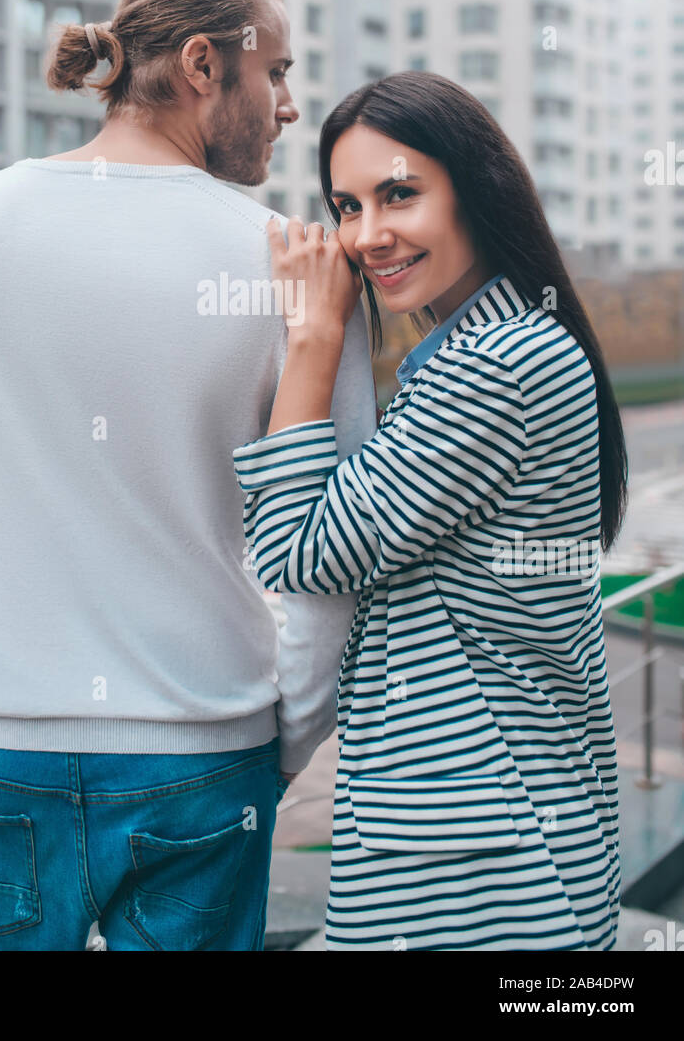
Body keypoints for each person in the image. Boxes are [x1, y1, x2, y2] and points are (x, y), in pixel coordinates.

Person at [0, 0, 376, 950]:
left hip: (4, 746)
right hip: (208, 751)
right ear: (200, 64)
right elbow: (329, 552)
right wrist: (289, 731)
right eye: (273, 70)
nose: (286, 106)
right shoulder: (295, 267)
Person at [233, 70, 628, 951]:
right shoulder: (498, 343)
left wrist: (314, 334)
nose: (368, 235)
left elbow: (300, 552)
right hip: (498, 827)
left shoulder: (497, 366)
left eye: (399, 194)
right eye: (347, 206)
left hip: (485, 854)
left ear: (475, 191)